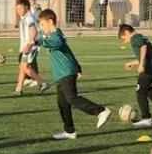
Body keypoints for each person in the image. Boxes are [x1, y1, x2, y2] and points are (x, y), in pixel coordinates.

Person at [35, 9, 111, 140]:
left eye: (42, 24)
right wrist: (78, 66)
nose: (41, 27)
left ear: (50, 22)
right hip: (62, 74)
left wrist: (39, 42)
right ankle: (69, 131)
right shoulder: (49, 35)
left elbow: (57, 43)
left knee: (72, 98)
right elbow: (68, 51)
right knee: (62, 103)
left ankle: (101, 111)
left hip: (66, 72)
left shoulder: (56, 34)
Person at [118, 23, 152, 127]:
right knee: (147, 88)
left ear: (126, 32)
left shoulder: (135, 38)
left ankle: (146, 118)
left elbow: (143, 48)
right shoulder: (140, 36)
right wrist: (132, 63)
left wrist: (141, 64)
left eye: (123, 38)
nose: (124, 41)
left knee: (140, 91)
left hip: (150, 67)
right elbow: (145, 54)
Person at [14, 0, 48, 95]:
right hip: (25, 46)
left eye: (20, 8)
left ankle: (42, 83)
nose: (18, 10)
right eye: (17, 8)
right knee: (23, 67)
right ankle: (18, 89)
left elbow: (33, 31)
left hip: (29, 47)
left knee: (24, 67)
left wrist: (29, 44)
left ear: (27, 8)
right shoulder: (24, 18)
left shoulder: (29, 18)